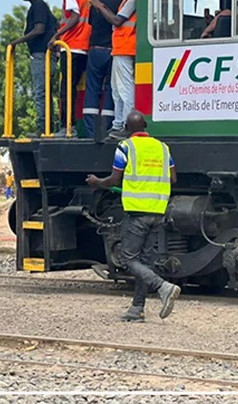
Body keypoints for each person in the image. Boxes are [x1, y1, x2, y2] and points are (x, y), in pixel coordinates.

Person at [85, 110, 181, 322]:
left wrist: (96, 182)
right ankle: (137, 309)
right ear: (145, 126)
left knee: (128, 259)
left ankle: (163, 287)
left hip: (137, 212)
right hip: (158, 211)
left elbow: (113, 180)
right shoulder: (162, 148)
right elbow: (172, 178)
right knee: (144, 263)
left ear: (127, 129)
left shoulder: (125, 147)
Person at [89, 0, 139, 141]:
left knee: (125, 89)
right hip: (121, 48)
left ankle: (127, 125)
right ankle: (118, 124)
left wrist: (99, 6)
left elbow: (117, 21)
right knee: (117, 90)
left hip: (126, 48)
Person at [10, 0, 58, 132]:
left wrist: (16, 42)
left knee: (40, 92)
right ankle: (47, 126)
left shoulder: (38, 6)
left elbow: (39, 29)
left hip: (41, 55)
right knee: (43, 92)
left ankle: (43, 128)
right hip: (43, 54)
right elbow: (56, 24)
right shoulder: (41, 7)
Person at [51, 0, 92, 137]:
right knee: (75, 87)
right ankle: (71, 124)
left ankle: (68, 126)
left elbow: (74, 17)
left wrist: (57, 35)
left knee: (66, 89)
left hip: (71, 46)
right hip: (83, 46)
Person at [83, 0, 125, 139]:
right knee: (111, 89)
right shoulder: (124, 3)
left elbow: (90, 23)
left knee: (92, 88)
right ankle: (107, 127)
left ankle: (90, 131)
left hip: (96, 50)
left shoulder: (96, 3)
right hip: (115, 50)